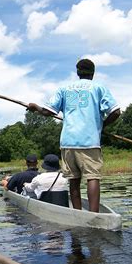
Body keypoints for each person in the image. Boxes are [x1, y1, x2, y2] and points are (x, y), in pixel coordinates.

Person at [28, 59, 121, 212]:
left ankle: (77, 213)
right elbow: (115, 112)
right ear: (93, 72)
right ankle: (93, 214)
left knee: (74, 180)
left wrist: (35, 107)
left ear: (78, 72)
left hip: (68, 142)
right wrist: (102, 125)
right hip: (89, 141)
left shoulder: (64, 88)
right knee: (93, 177)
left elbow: (48, 112)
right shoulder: (98, 87)